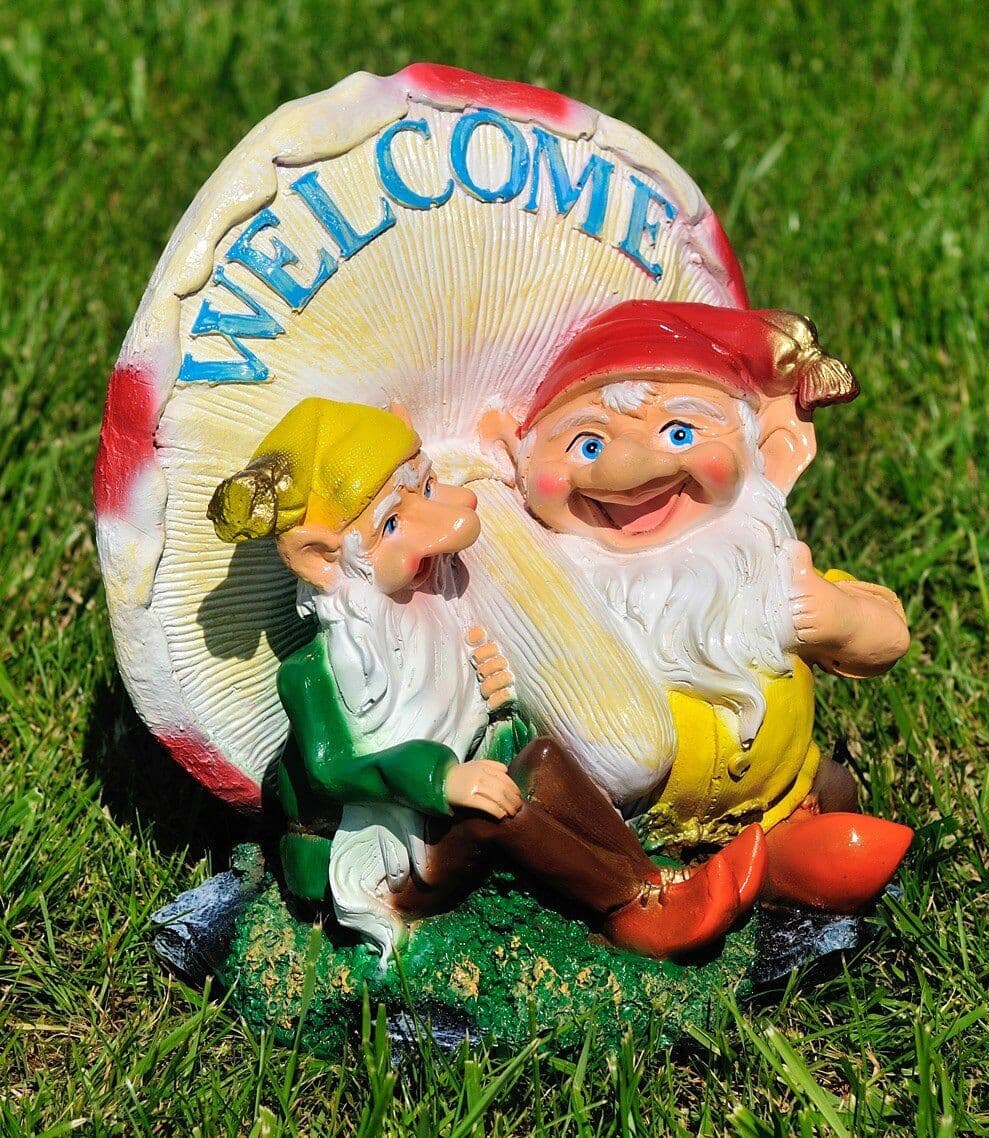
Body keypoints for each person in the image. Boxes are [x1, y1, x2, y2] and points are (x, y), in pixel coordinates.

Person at [209, 397, 766, 961]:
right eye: (393, 524)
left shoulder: (429, 614)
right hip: (396, 855)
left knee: (543, 759)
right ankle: (630, 912)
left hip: (455, 806)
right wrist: (441, 778)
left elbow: (457, 716)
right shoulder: (313, 674)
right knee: (492, 815)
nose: (442, 523)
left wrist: (496, 710)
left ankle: (646, 877)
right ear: (323, 561)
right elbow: (332, 770)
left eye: (428, 487)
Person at [482, 301, 913, 912]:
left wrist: (839, 618)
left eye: (679, 432)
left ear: (760, 447)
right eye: (587, 443)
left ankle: (786, 859)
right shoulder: (556, 597)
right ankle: (667, 890)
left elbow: (888, 637)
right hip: (629, 832)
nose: (629, 470)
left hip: (779, 800)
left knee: (833, 808)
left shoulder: (762, 566)